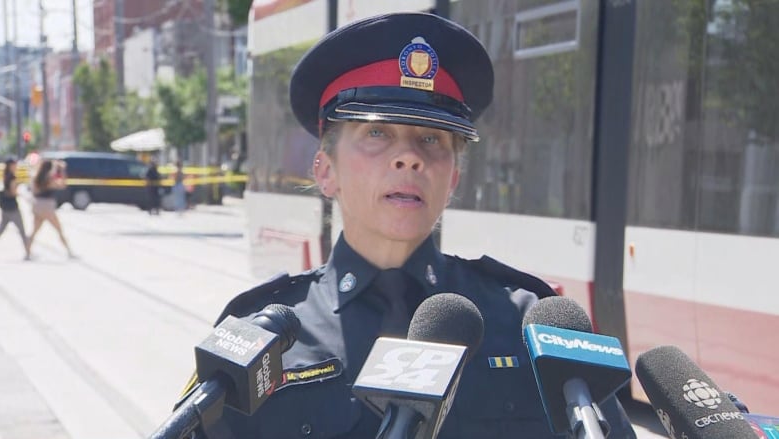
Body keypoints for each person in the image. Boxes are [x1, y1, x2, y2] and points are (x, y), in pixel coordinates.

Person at [173, 12, 637, 438]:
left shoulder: (528, 321)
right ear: (324, 171)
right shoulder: (261, 336)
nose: (410, 157)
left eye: (431, 139)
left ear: (452, 177)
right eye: (377, 132)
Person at [28, 159, 74, 258]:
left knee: (34, 231)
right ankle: (69, 252)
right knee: (59, 230)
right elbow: (62, 185)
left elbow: (33, 191)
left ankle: (27, 252)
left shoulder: (36, 177)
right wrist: (62, 170)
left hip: (37, 205)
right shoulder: (49, 178)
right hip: (47, 207)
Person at [0, 157, 32, 260]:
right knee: (22, 230)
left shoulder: (6, 175)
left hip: (5, 208)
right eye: (15, 164)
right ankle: (28, 253)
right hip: (13, 208)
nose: (16, 166)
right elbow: (13, 192)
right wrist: (21, 194)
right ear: (10, 165)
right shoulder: (12, 177)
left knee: (1, 229)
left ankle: (28, 252)